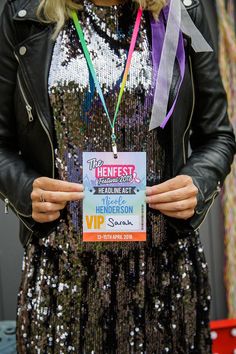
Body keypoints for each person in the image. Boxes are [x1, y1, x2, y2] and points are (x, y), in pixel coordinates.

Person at [0, 0, 235, 352]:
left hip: (164, 275)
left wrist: (198, 184)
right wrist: (23, 190)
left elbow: (218, 135)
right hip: (63, 274)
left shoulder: (181, 11)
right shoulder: (26, 14)